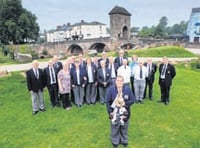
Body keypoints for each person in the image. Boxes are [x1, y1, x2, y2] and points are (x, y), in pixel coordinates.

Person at [106, 76, 135, 148]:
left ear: (123, 82)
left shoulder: (127, 89)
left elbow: (132, 100)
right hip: (114, 113)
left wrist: (125, 104)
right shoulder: (111, 89)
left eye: (121, 81)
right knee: (114, 128)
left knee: (124, 128)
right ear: (115, 82)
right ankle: (115, 142)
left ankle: (124, 141)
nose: (119, 82)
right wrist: (110, 112)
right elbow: (107, 101)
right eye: (117, 81)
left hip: (125, 113)